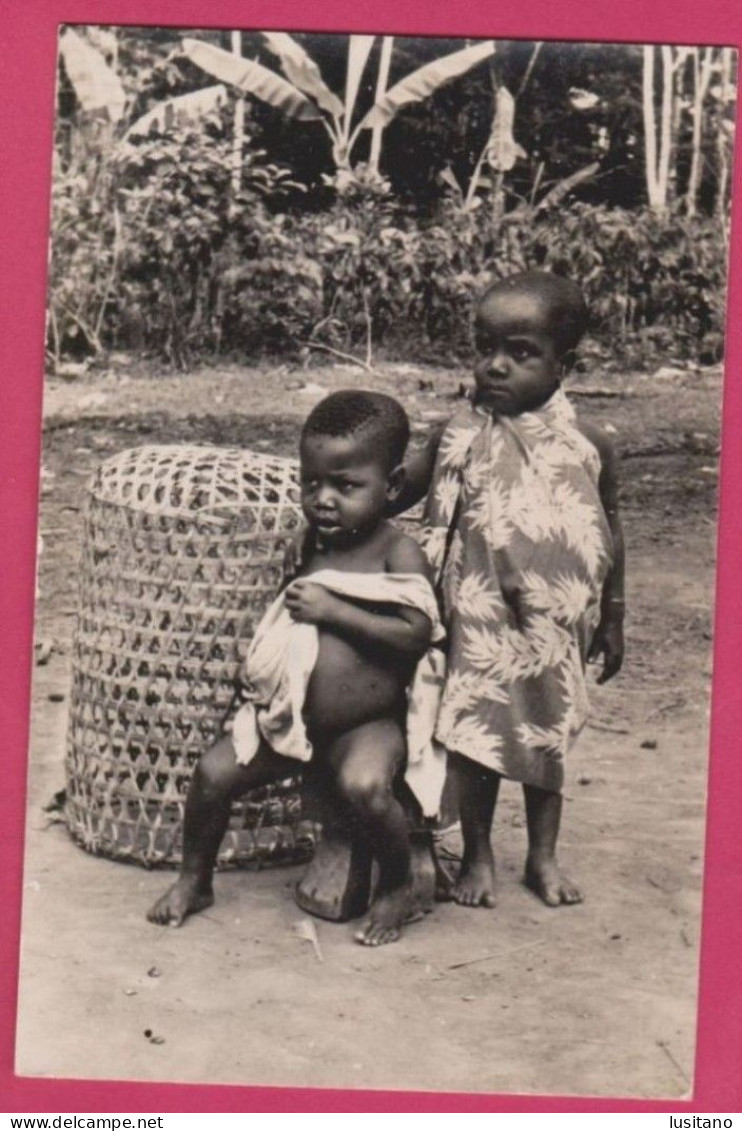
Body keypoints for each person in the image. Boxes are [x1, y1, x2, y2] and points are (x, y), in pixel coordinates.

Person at [147, 391, 445, 946]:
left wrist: (335, 610)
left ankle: (397, 885)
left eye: (345, 486)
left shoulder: (397, 554)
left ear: (394, 486)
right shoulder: (312, 543)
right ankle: (196, 878)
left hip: (367, 724)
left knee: (365, 786)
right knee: (213, 774)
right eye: (311, 484)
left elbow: (415, 635)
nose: (323, 500)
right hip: (295, 719)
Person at [398, 270, 625, 910]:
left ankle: (542, 856)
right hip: (476, 613)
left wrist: (614, 614)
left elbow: (610, 530)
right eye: (484, 347)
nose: (494, 367)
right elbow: (404, 484)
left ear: (564, 364)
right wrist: (344, 479)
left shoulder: (590, 442)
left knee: (545, 733)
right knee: (475, 735)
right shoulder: (459, 431)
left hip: (555, 623)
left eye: (521, 354)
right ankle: (477, 854)